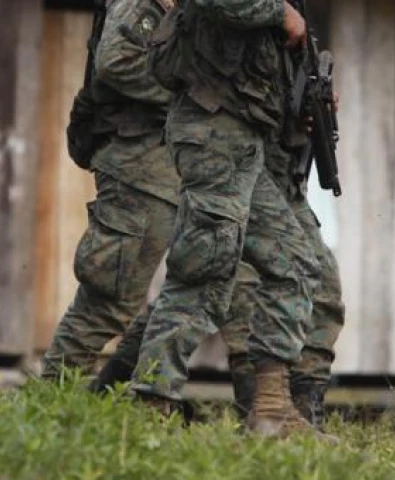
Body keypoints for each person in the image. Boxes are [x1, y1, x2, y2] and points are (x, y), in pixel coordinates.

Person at [41, 0, 270, 421]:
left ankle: (114, 398)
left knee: (200, 287)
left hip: (192, 163)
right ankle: (45, 412)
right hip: (139, 166)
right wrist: (195, 91)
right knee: (109, 296)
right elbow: (115, 63)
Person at [126, 0, 338, 440]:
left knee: (297, 263)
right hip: (214, 132)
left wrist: (303, 94)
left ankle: (271, 411)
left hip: (247, 143)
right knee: (204, 272)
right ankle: (148, 412)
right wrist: (279, 14)